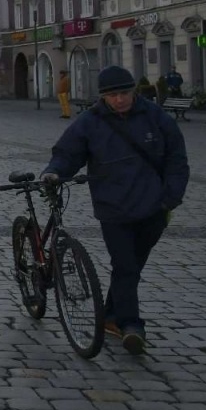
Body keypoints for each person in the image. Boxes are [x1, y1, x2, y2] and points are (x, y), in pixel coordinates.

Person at [41, 64, 188, 356]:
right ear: (103, 97)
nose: (119, 100)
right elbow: (68, 153)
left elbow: (176, 158)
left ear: (133, 91)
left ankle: (110, 315)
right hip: (113, 208)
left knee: (132, 266)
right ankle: (131, 326)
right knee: (126, 266)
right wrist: (54, 172)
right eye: (112, 95)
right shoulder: (90, 122)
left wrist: (170, 198)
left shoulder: (155, 117)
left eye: (124, 93)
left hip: (153, 208)